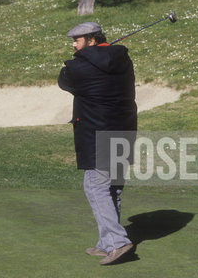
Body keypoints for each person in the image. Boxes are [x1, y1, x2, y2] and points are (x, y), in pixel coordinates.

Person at [58, 22, 137, 265]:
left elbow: (63, 81)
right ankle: (106, 242)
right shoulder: (124, 61)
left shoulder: (78, 67)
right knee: (112, 187)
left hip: (97, 136)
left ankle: (117, 242)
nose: (73, 44)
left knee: (96, 187)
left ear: (92, 40)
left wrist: (70, 63)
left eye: (78, 40)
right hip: (124, 133)